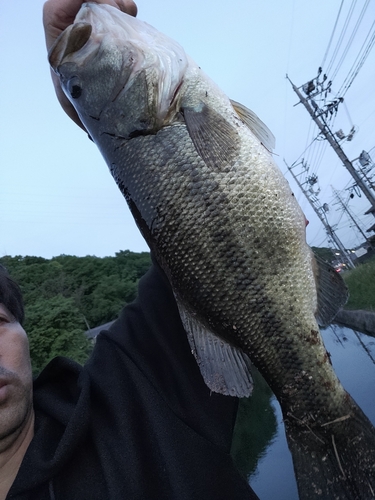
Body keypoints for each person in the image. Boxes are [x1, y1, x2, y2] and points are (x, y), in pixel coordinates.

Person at [0, 2, 260, 498]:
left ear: (25, 332)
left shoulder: (132, 395)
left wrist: (101, 102)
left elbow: (210, 251)